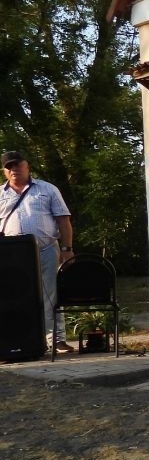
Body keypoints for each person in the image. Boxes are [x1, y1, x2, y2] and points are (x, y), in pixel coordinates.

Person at [1, 150, 74, 353]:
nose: (14, 169)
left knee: (51, 294)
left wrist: (67, 249)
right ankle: (20, 340)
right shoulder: (0, 194)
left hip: (46, 249)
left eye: (17, 164)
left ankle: (57, 340)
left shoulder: (47, 189)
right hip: (11, 256)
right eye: (9, 167)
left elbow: (63, 220)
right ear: (5, 171)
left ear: (27, 165)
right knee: (14, 296)